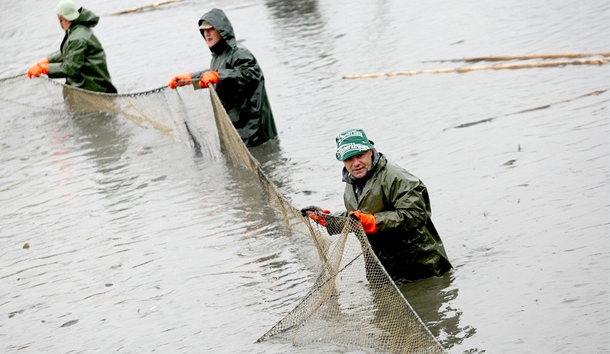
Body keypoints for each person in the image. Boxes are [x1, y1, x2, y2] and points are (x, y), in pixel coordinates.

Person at [301, 128, 452, 283]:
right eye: (349, 159)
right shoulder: (351, 181)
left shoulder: (396, 177)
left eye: (360, 156)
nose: (356, 163)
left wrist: (374, 222)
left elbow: (417, 214)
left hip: (420, 269)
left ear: (371, 151)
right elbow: (358, 219)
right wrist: (329, 220)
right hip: (382, 270)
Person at [168, 8, 278, 147]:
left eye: (210, 29)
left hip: (256, 132)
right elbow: (216, 73)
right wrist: (189, 78)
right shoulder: (218, 56)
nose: (206, 33)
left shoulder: (239, 53)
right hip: (238, 129)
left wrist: (218, 76)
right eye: (203, 30)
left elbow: (252, 74)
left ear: (222, 30)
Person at [27, 0, 117, 94]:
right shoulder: (78, 29)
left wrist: (44, 68)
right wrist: (48, 60)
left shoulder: (77, 37)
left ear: (60, 17)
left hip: (94, 89)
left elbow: (71, 69)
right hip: (91, 86)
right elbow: (71, 51)